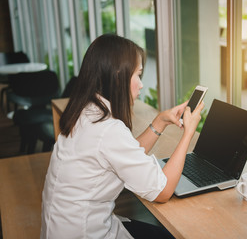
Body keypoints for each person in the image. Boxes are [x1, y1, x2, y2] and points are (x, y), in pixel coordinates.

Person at [40, 34, 204, 239]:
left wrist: (160, 121)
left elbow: (124, 155)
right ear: (119, 76)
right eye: (138, 75)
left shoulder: (85, 111)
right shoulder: (108, 129)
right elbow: (163, 192)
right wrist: (188, 133)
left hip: (63, 228)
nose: (141, 85)